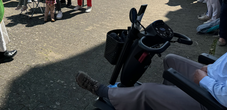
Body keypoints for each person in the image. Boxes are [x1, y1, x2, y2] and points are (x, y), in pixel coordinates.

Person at [75, 52, 227, 110]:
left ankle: (105, 92)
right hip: (212, 76)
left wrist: (204, 79)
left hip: (211, 99)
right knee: (170, 60)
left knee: (146, 92)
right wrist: (212, 66)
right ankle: (166, 102)